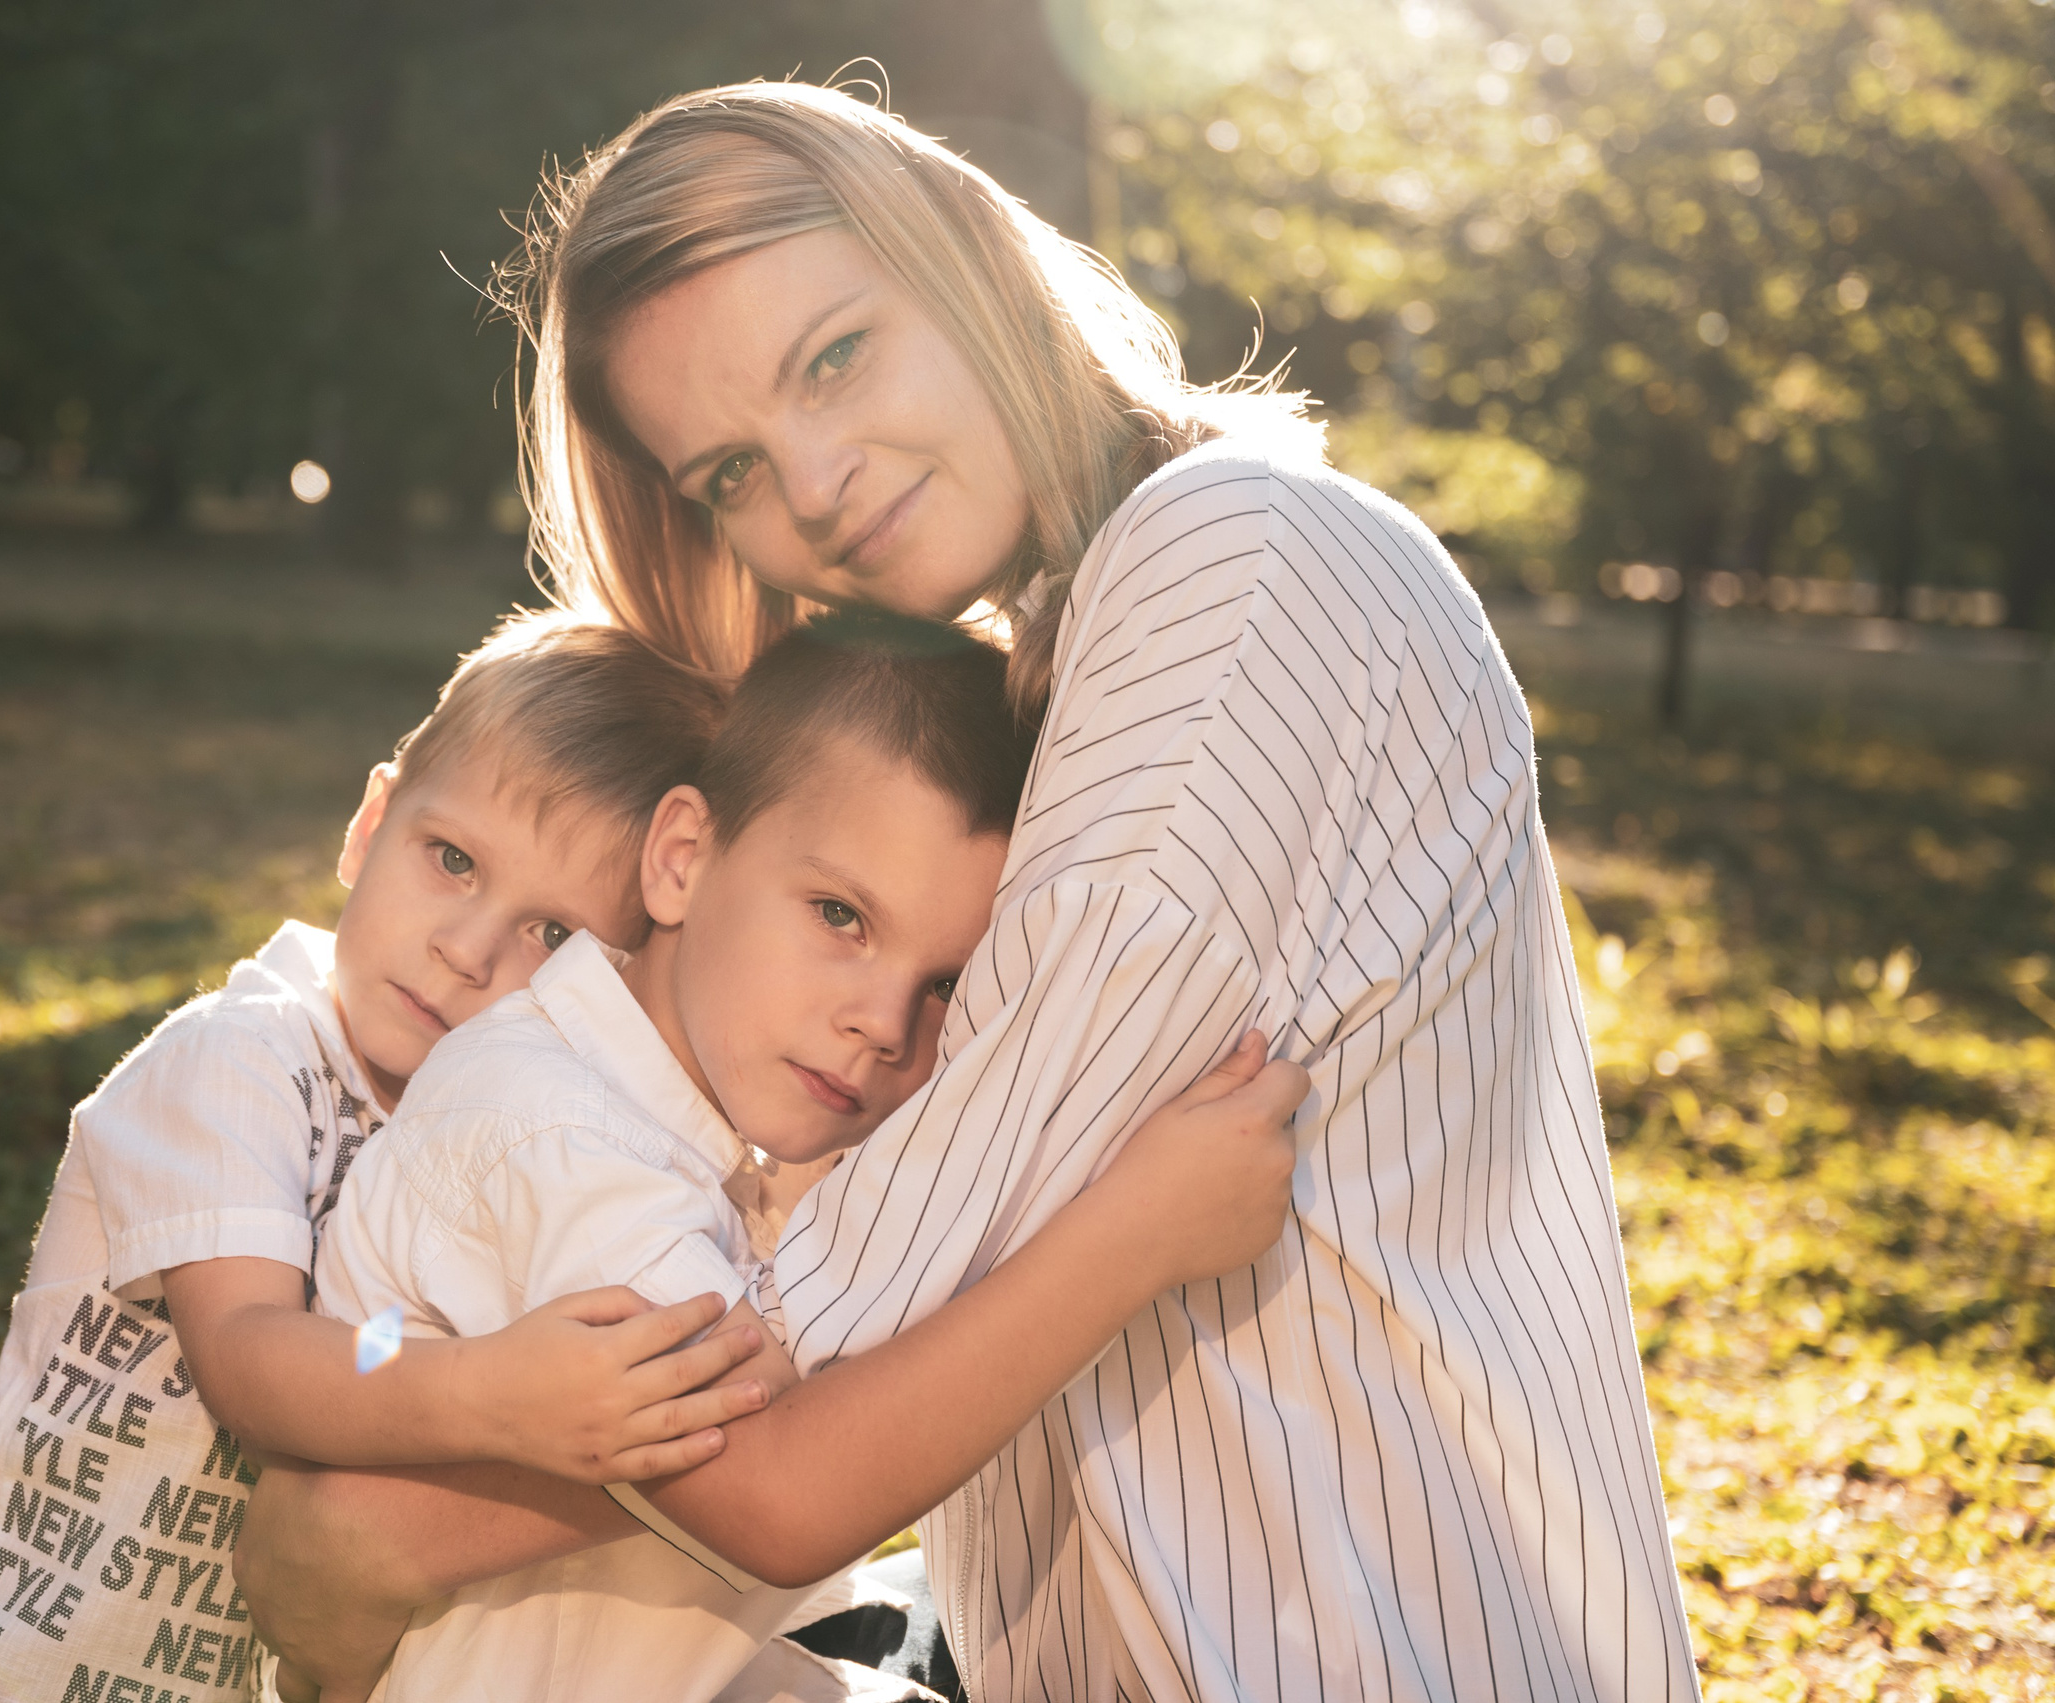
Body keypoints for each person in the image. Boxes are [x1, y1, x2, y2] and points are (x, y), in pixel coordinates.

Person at [258, 79, 1702, 1703]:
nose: (809, 483)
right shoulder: (1034, 684)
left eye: (836, 356)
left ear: (959, 255)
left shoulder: (1230, 566)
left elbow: (807, 1343)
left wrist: (378, 1518)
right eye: (730, 468)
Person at [263, 610, 1304, 1703]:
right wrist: (1137, 1232)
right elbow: (775, 1498)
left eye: (944, 983)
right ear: (680, 859)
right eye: (840, 914)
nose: (882, 1021)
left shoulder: (655, 1115)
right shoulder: (557, 1137)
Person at [0, 615, 780, 1703]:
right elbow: (251, 1357)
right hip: (4, 1672)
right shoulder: (238, 1058)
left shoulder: (498, 1125)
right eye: (452, 861)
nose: (467, 947)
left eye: (550, 935)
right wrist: (496, 1395)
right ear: (370, 821)